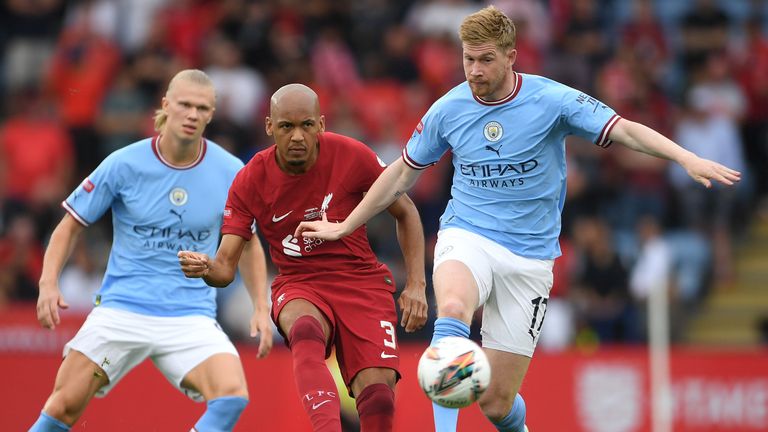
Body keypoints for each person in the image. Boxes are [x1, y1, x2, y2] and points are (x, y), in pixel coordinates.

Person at [295, 6, 741, 432]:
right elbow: (401, 174)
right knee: (451, 312)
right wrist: (346, 224)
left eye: (486, 60)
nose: (474, 71)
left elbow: (622, 128)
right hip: (467, 234)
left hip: (529, 258)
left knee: (497, 403)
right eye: (468, 59)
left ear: (512, 56)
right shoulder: (449, 109)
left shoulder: (552, 100)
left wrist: (685, 158)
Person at [30, 69, 273, 432]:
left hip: (190, 315)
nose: (192, 114)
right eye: (185, 105)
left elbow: (249, 242)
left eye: (202, 108)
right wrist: (48, 283)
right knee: (62, 407)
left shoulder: (230, 171)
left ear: (211, 114)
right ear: (166, 106)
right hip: (121, 308)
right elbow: (69, 226)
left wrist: (259, 305)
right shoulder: (124, 163)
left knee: (232, 396)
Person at [178, 83, 428, 432]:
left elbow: (406, 212)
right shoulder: (250, 180)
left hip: (361, 282)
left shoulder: (352, 155)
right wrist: (206, 268)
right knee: (305, 328)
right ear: (269, 127)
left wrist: (416, 283)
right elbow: (224, 269)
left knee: (379, 399)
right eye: (286, 126)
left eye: (306, 125)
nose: (297, 136)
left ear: (320, 125)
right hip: (300, 283)